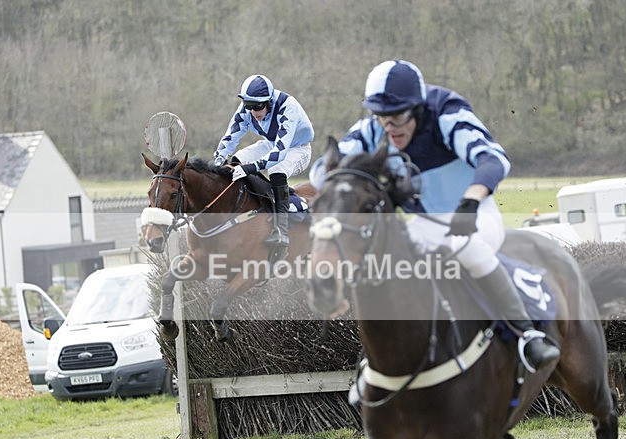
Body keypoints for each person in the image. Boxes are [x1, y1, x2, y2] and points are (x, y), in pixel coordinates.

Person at [310, 60, 559, 372]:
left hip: (474, 212)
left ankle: (528, 335)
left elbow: (493, 158)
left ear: (416, 108)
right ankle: (377, 359)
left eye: (398, 117)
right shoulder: (374, 128)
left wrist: (472, 198)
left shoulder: (446, 112)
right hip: (425, 222)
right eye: (383, 118)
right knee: (385, 257)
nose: (391, 127)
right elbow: (321, 170)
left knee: (469, 247)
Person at [213, 74, 315, 254]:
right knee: (236, 160)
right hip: (270, 143)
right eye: (249, 106)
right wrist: (218, 160)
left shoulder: (287, 107)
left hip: (298, 149)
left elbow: (280, 152)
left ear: (269, 101)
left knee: (276, 168)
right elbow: (230, 137)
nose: (253, 112)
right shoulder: (247, 109)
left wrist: (251, 167)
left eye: (258, 106)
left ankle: (281, 230)